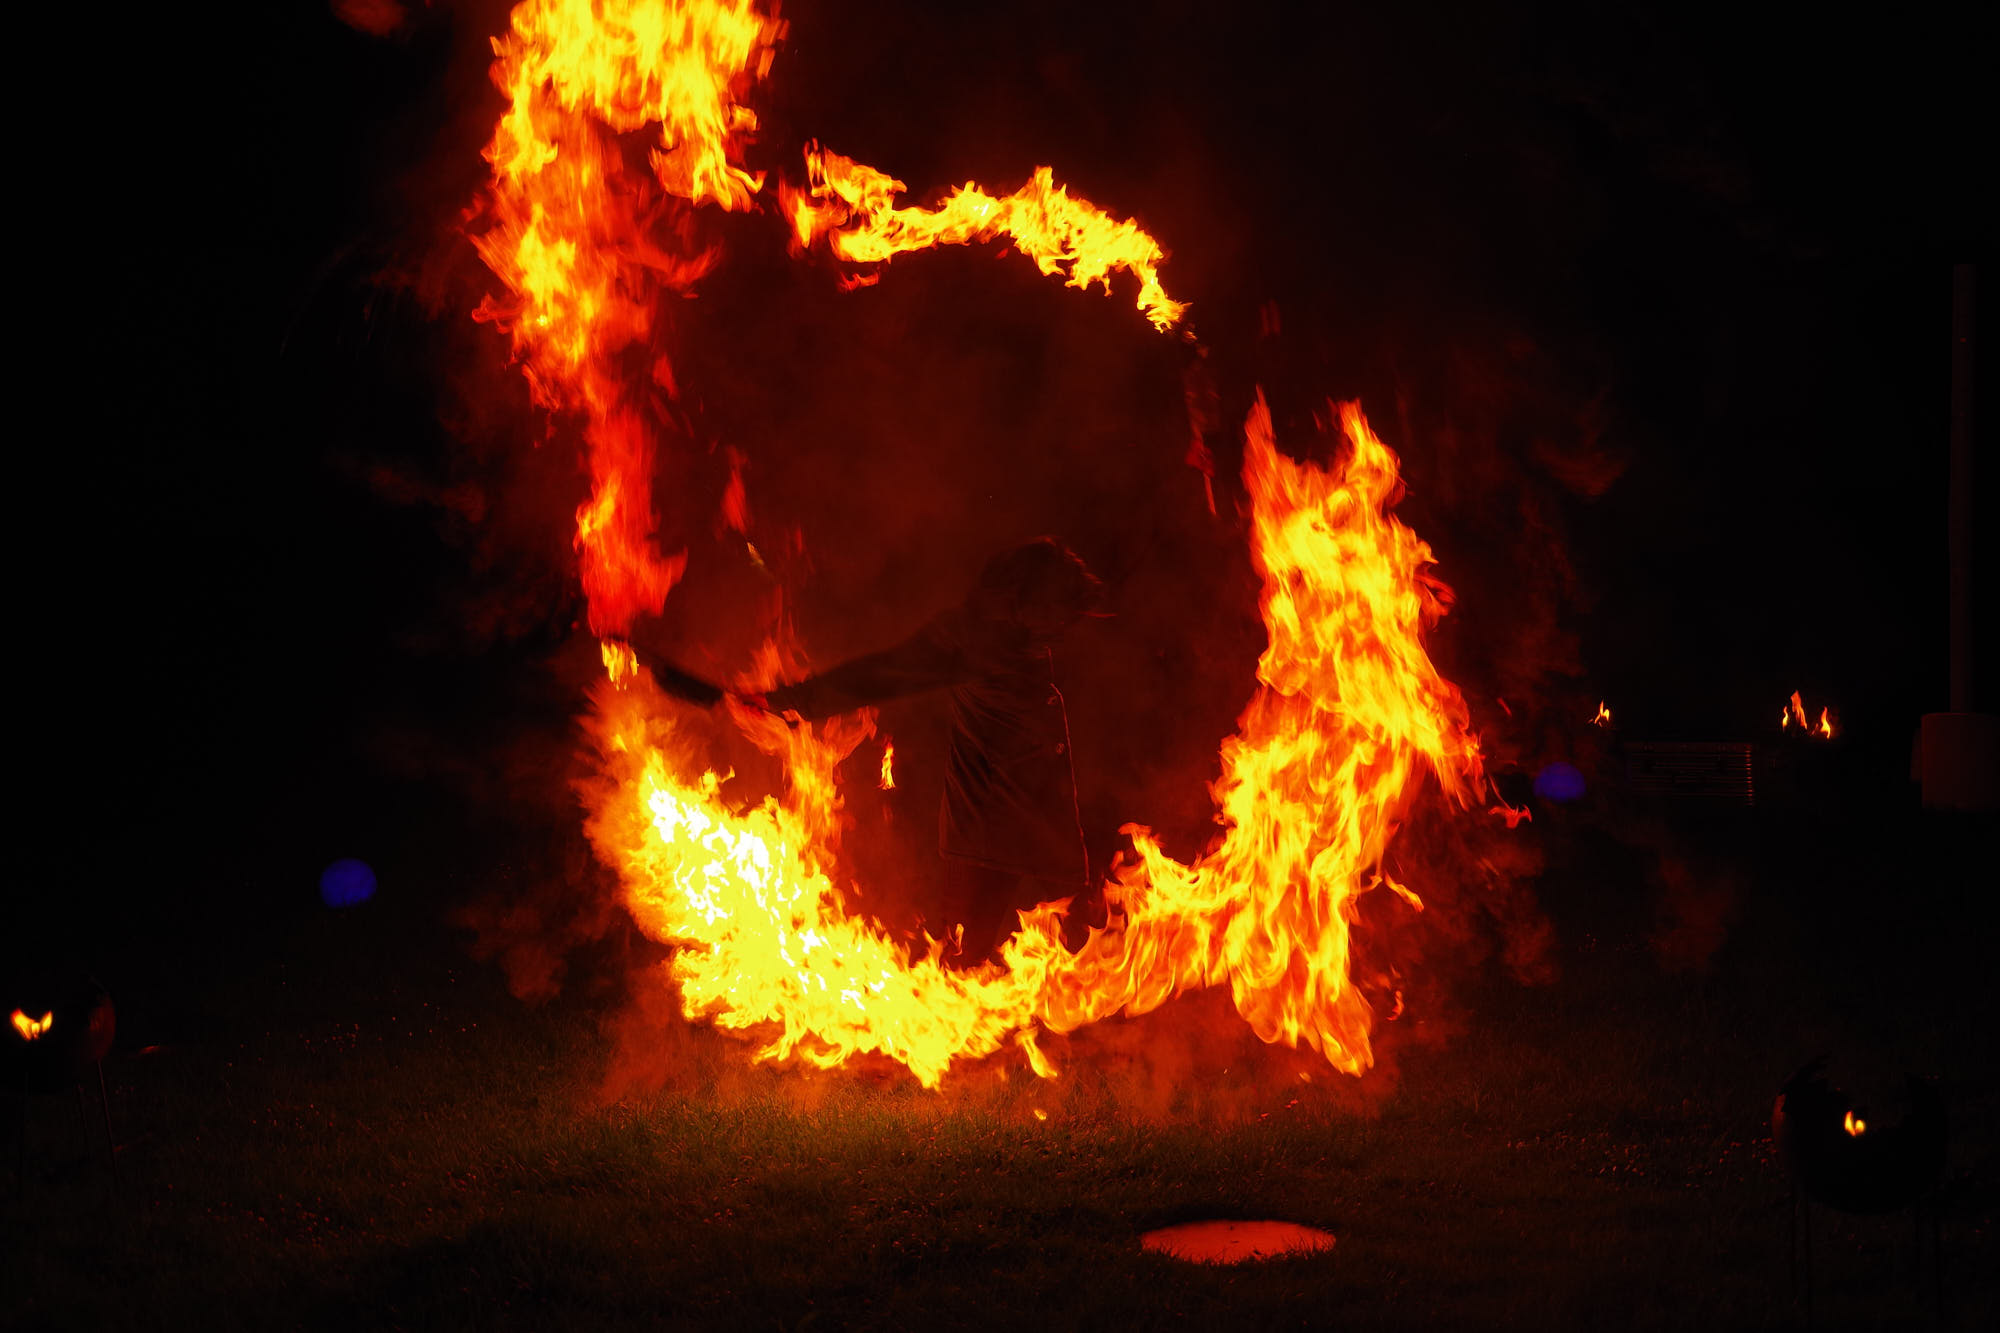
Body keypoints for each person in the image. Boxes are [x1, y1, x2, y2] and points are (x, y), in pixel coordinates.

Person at [742, 538, 1106, 963]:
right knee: (963, 970)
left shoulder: (1029, 638)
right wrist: (790, 701)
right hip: (984, 837)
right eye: (1061, 612)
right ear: (1032, 600)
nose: (1065, 626)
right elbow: (879, 674)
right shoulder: (972, 638)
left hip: (1041, 834)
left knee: (1083, 959)